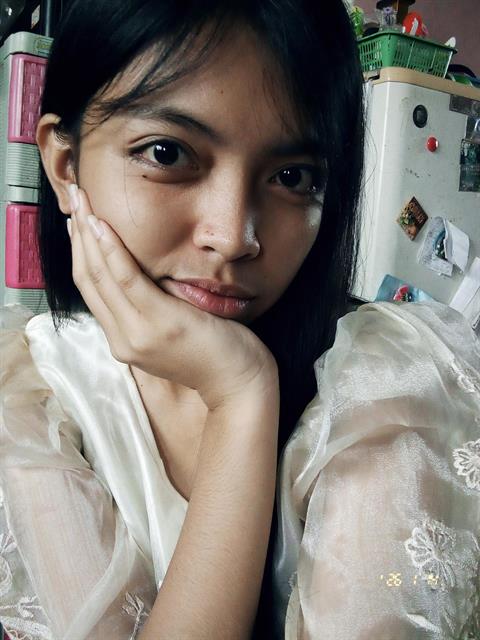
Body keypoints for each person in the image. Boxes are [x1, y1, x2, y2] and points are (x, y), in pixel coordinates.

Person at [0, 1, 478, 638]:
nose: (233, 237)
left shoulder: (390, 385)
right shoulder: (32, 394)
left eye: (292, 176)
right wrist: (240, 397)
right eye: (167, 153)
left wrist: (241, 392)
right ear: (66, 167)